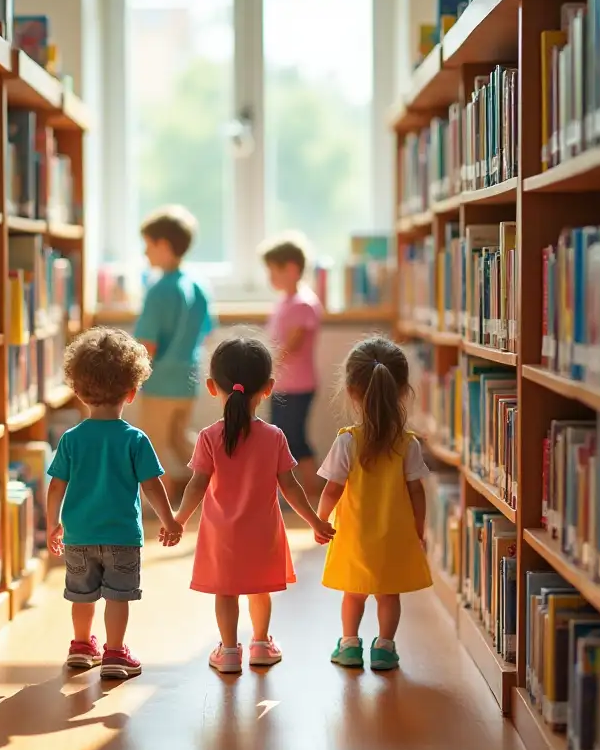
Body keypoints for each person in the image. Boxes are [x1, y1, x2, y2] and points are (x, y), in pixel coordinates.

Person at [172, 336, 335, 674]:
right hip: (263, 534)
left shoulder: (208, 437)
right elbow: (291, 488)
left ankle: (229, 651)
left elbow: (196, 485)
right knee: (259, 590)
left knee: (226, 592)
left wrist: (178, 519)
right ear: (269, 387)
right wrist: (315, 521)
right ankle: (261, 643)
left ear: (212, 387)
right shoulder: (274, 436)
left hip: (222, 535)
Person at [46, 327, 182, 680]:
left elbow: (55, 486)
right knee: (117, 597)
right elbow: (152, 486)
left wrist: (52, 524)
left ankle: (80, 645)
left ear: (77, 391)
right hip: (122, 536)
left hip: (78, 536)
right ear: (132, 391)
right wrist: (169, 521)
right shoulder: (135, 440)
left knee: (81, 595)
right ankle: (115, 652)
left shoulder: (71, 439)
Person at [315, 337, 432, 671]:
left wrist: (321, 520)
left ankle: (350, 646)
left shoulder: (348, 440)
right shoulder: (408, 443)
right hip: (394, 536)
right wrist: (418, 531)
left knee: (354, 593)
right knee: (388, 594)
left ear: (352, 391)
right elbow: (417, 493)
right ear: (402, 390)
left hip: (354, 536)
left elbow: (332, 490)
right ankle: (385, 648)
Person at [134, 205, 213, 506]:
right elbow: (206, 331)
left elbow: (146, 344)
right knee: (181, 439)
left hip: (160, 383)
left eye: (148, 245)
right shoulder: (198, 286)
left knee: (151, 446)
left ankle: (160, 506)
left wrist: (132, 376)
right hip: (187, 379)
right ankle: (219, 483)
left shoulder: (159, 290)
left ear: (163, 246)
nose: (145, 253)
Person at [261, 233, 322, 501]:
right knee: (280, 438)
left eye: (273, 270)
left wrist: (266, 362)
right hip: (283, 384)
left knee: (294, 439)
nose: (270, 277)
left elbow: (291, 345)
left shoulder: (303, 304)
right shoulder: (285, 302)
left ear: (292, 269)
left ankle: (312, 490)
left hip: (298, 386)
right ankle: (286, 493)